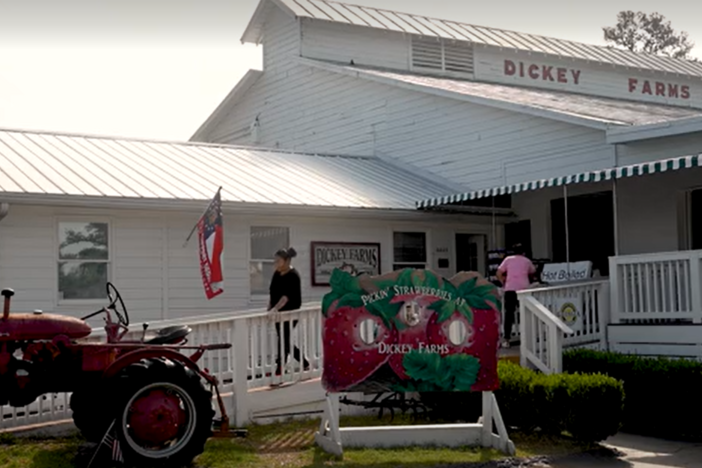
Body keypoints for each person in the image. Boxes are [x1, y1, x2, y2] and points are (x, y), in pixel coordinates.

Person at [268, 247, 310, 376]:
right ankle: (302, 362)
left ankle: (280, 367)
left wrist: (276, 308)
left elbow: (286, 297)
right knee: (283, 339)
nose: (275, 263)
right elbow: (273, 293)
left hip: (290, 312)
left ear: (286, 261)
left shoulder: (293, 276)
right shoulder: (276, 274)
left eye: (278, 260)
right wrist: (269, 308)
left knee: (283, 339)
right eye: (275, 260)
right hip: (278, 312)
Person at [496, 244, 536, 348]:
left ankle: (506, 339)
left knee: (509, 315)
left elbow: (499, 273)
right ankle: (528, 338)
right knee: (525, 313)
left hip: (510, 289)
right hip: (523, 290)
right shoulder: (527, 261)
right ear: (523, 252)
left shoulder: (508, 259)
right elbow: (533, 272)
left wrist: (503, 282)